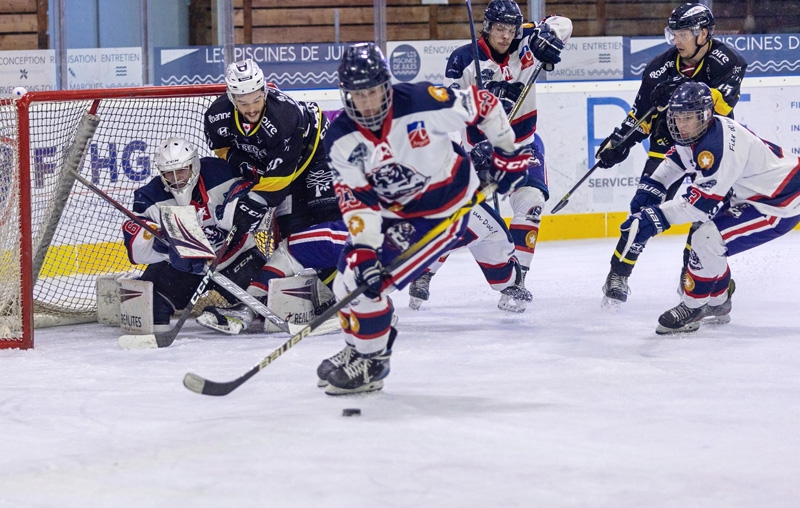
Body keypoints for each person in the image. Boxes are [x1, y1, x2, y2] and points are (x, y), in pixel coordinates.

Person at [319, 42, 532, 395]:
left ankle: (372, 364)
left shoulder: (422, 100)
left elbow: (486, 105)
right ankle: (358, 348)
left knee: (369, 287)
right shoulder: (341, 137)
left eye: (373, 91)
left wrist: (508, 152)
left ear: (386, 86)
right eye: (359, 95)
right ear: (346, 95)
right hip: (391, 212)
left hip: (443, 212)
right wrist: (366, 249)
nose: (368, 102)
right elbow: (358, 202)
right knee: (347, 279)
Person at [409, 0, 571, 313]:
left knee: (532, 203)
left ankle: (516, 282)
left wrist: (550, 39)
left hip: (522, 144)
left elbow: (563, 24)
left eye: (511, 29)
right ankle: (425, 271)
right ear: (487, 26)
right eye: (500, 28)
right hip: (479, 151)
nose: (506, 35)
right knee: (459, 216)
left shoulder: (528, 42)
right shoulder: (463, 59)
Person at [596, 3, 747, 309]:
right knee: (643, 205)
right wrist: (620, 141)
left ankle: (689, 278)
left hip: (712, 147)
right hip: (668, 144)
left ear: (703, 33)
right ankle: (618, 274)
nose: (676, 40)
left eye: (683, 33)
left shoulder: (729, 62)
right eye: (673, 33)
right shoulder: (658, 68)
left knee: (703, 216)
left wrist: (683, 88)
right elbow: (641, 115)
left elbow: (722, 107)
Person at [618, 82, 800, 334]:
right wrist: (651, 188)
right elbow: (675, 162)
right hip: (752, 192)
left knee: (706, 239)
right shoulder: (696, 131)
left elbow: (698, 207)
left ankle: (693, 307)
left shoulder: (719, 146)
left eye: (688, 118)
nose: (681, 124)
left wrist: (654, 217)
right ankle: (719, 300)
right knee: (707, 242)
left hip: (779, 200)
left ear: (704, 115)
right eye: (678, 117)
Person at [198, 59, 346, 334]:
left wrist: (254, 204)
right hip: (279, 169)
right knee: (294, 233)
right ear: (231, 98)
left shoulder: (284, 115)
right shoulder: (217, 116)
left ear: (264, 91)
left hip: (317, 156)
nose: (251, 108)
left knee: (322, 227)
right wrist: (248, 170)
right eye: (243, 103)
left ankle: (353, 296)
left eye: (256, 99)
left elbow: (278, 182)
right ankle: (339, 293)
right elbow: (223, 151)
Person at [122, 137, 270, 332]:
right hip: (183, 269)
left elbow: (262, 207)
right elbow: (136, 250)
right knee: (150, 311)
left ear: (194, 164)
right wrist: (166, 245)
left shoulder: (224, 173)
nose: (177, 179)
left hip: (235, 258)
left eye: (182, 171)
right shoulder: (149, 197)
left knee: (269, 305)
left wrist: (245, 215)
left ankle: (235, 311)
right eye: (169, 174)